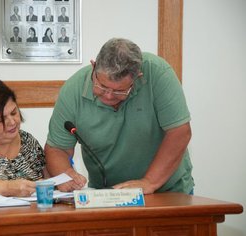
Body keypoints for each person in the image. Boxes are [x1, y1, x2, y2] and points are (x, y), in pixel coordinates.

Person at [45, 38, 194, 195]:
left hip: (168, 191)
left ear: (138, 77)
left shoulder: (158, 73)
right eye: (102, 86)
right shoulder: (73, 90)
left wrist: (149, 182)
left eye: (119, 91)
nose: (109, 96)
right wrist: (65, 174)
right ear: (93, 66)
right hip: (107, 194)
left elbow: (180, 133)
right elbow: (57, 148)